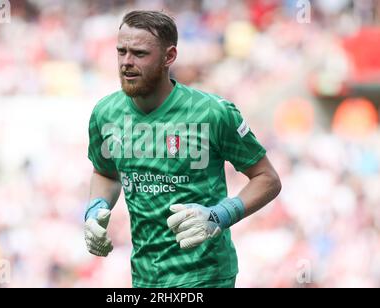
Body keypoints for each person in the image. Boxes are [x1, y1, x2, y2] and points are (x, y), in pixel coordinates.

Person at [84, 10, 282, 288]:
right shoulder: (106, 114)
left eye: (139, 54)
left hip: (206, 276)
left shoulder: (212, 112)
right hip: (144, 276)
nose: (126, 62)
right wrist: (95, 208)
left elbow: (267, 179)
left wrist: (219, 216)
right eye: (121, 52)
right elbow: (106, 173)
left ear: (169, 57)